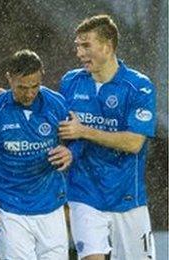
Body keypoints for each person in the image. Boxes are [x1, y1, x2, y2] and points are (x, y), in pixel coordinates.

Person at [59, 15, 157, 260]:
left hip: (127, 197)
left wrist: (84, 131)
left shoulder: (138, 87)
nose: (79, 53)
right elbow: (53, 113)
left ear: (108, 46)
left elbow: (134, 143)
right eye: (78, 46)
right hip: (84, 193)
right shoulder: (71, 82)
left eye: (86, 46)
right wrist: (10, 101)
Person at [0, 50, 74, 259]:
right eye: (22, 87)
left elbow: (76, 138)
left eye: (35, 86)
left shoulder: (56, 104)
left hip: (51, 207)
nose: (30, 93)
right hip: (10, 211)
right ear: (9, 79)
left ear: (42, 76)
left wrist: (70, 152)